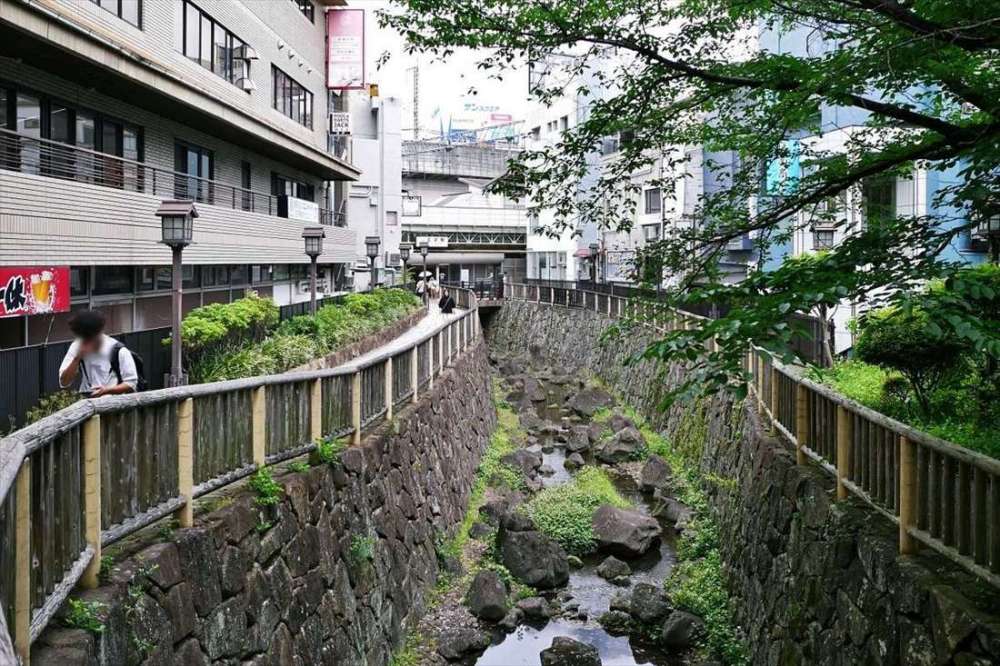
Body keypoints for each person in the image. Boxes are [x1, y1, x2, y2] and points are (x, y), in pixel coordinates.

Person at [59, 309, 139, 397]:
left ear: (99, 332)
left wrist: (106, 391)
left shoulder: (119, 350)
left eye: (91, 338)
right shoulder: (77, 346)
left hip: (114, 402)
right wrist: (77, 357)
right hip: (87, 400)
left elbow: (131, 383)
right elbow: (64, 382)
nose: (88, 342)